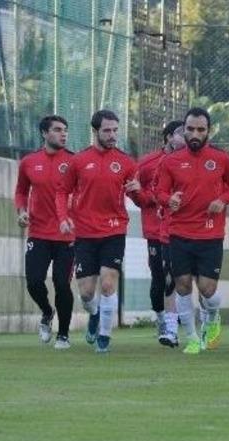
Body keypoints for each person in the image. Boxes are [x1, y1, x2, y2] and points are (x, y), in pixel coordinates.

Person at [155, 107, 229, 354]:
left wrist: (222, 200)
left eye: (200, 129)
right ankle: (192, 338)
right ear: (183, 130)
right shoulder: (170, 161)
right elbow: (159, 192)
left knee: (207, 289)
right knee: (182, 285)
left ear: (208, 131)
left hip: (210, 234)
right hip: (179, 233)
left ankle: (212, 317)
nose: (195, 133)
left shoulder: (222, 158)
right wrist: (168, 199)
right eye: (190, 129)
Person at [55, 110, 141, 353]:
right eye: (107, 130)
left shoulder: (126, 162)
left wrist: (138, 190)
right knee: (86, 293)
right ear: (95, 132)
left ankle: (104, 335)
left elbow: (141, 200)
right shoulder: (79, 161)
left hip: (114, 230)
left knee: (107, 283)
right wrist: (63, 219)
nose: (113, 135)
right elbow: (62, 192)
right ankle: (93, 315)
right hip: (84, 233)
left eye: (115, 130)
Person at [15, 115, 75, 349]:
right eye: (58, 130)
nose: (63, 134)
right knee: (33, 282)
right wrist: (21, 211)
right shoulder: (29, 162)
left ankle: (64, 335)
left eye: (65, 130)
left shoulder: (73, 161)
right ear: (44, 133)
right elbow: (21, 191)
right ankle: (47, 312)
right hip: (38, 232)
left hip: (66, 235)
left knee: (62, 284)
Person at [136, 120, 185, 347]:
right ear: (168, 137)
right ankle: (161, 318)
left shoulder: (192, 161)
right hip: (156, 229)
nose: (186, 136)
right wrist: (152, 197)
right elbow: (137, 193)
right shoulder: (147, 163)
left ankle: (180, 322)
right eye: (181, 133)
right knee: (159, 277)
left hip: (183, 228)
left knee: (178, 276)